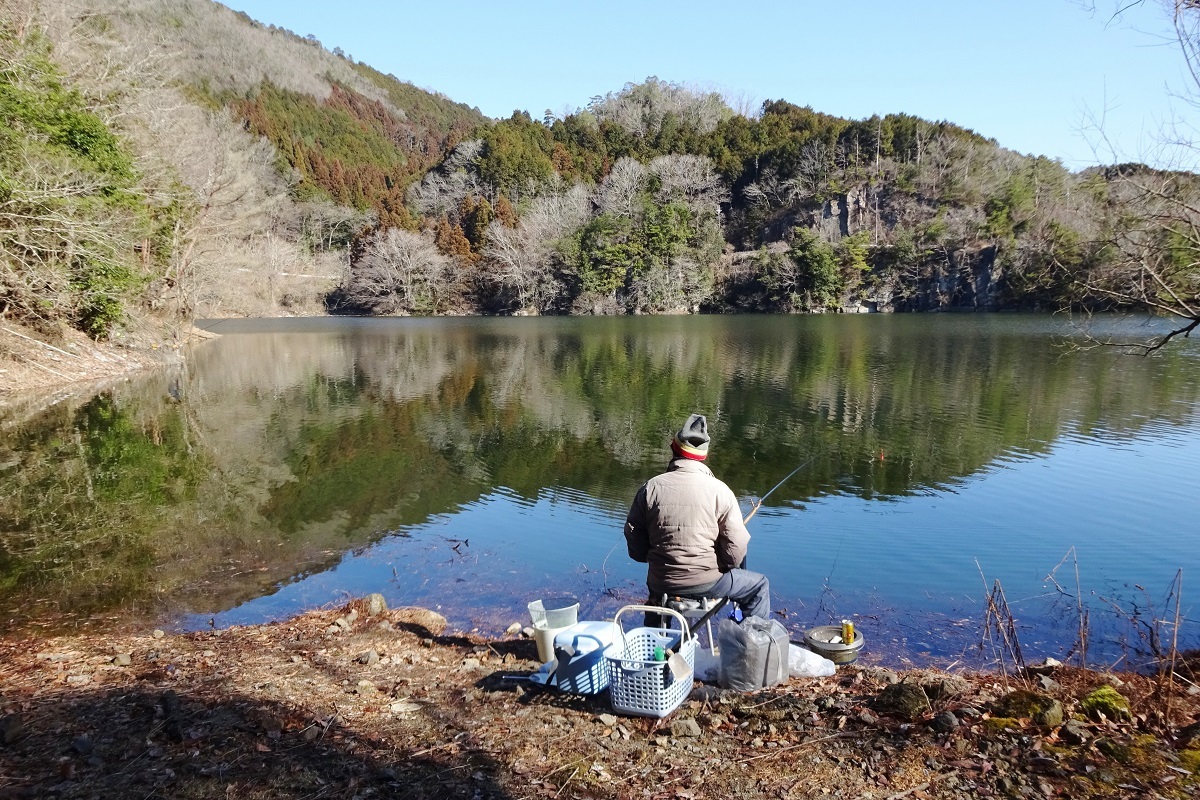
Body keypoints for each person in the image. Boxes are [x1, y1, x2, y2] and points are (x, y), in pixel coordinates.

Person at [624, 413, 771, 622]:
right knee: (759, 585)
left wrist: (654, 558)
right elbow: (735, 551)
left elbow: (635, 545)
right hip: (707, 583)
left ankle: (652, 643)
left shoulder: (650, 489)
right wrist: (720, 564)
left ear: (673, 448)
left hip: (660, 582)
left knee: (655, 597)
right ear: (704, 456)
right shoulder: (721, 491)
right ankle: (749, 646)